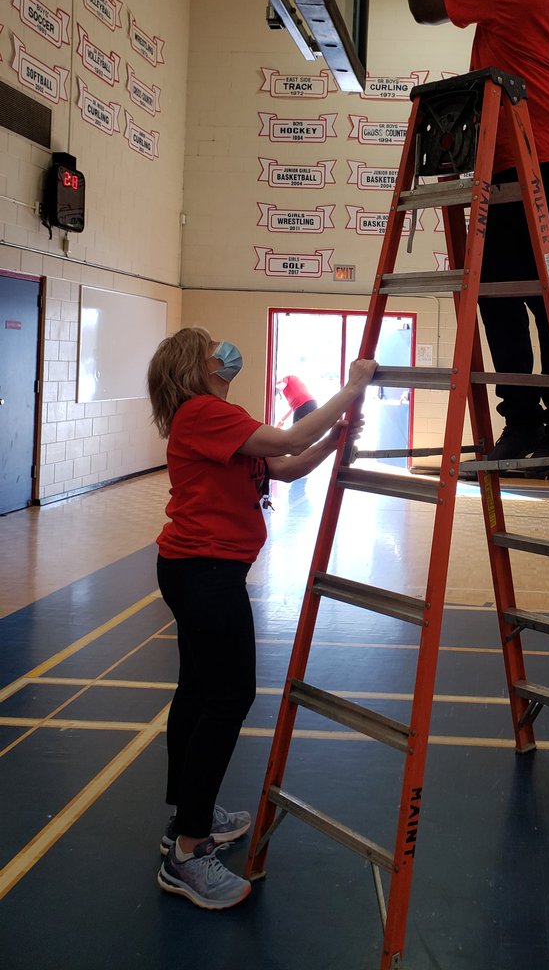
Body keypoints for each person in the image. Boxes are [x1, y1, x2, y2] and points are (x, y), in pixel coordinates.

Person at [147, 327, 376, 910]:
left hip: (199, 571)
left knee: (199, 692)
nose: (226, 353)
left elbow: (288, 464)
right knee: (228, 696)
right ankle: (189, 852)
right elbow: (295, 431)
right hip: (204, 573)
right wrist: (350, 390)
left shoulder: (217, 417)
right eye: (211, 351)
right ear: (192, 369)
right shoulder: (203, 412)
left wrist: (335, 441)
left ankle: (186, 820)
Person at [391, 0, 549, 463]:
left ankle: (542, 425)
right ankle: (543, 422)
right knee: (526, 286)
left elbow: (427, 7)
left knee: (525, 288)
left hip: (538, 149)